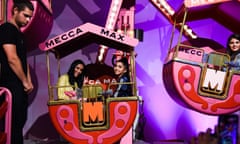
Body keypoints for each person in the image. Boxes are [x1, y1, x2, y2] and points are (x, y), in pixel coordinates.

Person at [0, 1, 34, 144]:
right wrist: (25, 81)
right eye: (25, 16)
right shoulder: (7, 29)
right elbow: (12, 58)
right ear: (15, 10)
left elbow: (22, 59)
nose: (28, 20)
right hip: (10, 85)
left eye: (30, 17)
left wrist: (29, 80)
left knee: (18, 123)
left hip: (20, 86)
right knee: (11, 126)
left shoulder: (19, 34)